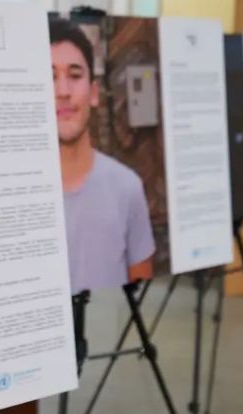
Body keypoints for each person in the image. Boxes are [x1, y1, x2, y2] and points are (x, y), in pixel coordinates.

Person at [50, 19, 155, 292]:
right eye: (49, 77)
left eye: (74, 75)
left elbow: (140, 290)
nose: (63, 91)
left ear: (94, 93)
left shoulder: (127, 187)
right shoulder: (14, 194)